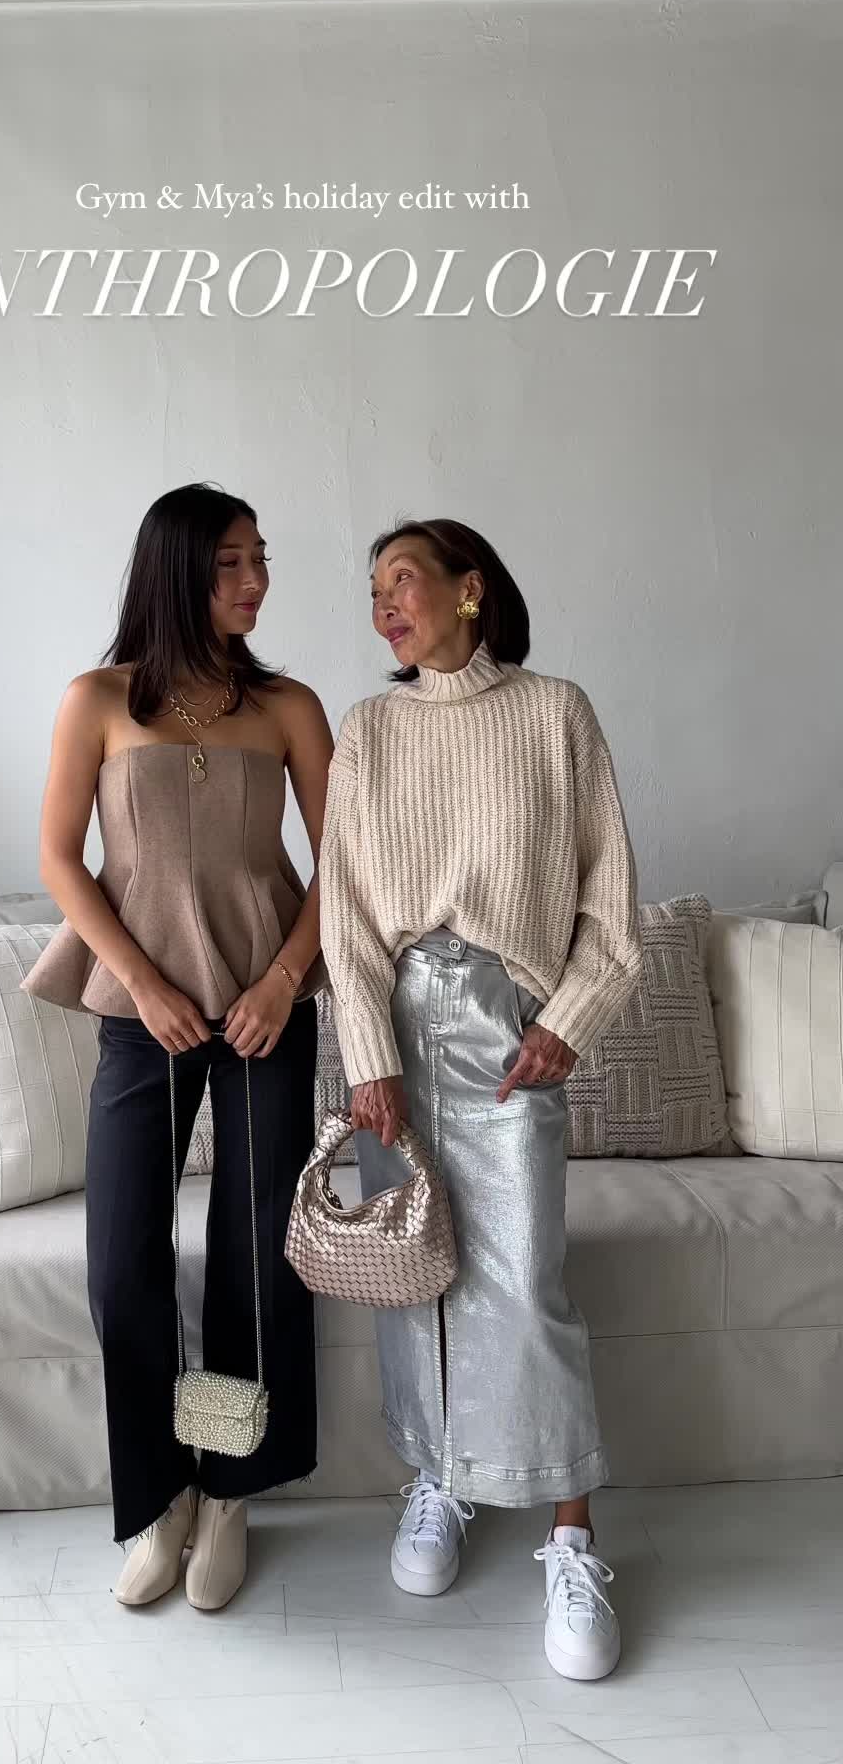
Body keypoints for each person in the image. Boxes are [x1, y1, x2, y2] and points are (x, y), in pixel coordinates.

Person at [318, 516, 643, 1682]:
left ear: (469, 590)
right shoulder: (368, 731)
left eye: (401, 579)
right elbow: (344, 911)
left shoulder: (557, 714)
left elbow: (612, 903)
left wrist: (570, 1020)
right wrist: (368, 1056)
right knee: (415, 1266)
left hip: (510, 1024)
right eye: (371, 588)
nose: (382, 604)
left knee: (525, 1277)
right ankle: (442, 1478)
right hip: (398, 1022)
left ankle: (571, 1537)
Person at [22, 482, 333, 1612]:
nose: (256, 581)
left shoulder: (289, 705)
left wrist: (284, 981)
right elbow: (61, 857)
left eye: (261, 559)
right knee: (124, 1265)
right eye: (231, 563)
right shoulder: (98, 700)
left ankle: (229, 1488)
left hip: (265, 1009)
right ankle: (162, 1499)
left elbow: (344, 864)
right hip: (140, 1010)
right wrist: (144, 983)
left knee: (254, 1261)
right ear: (177, 571)